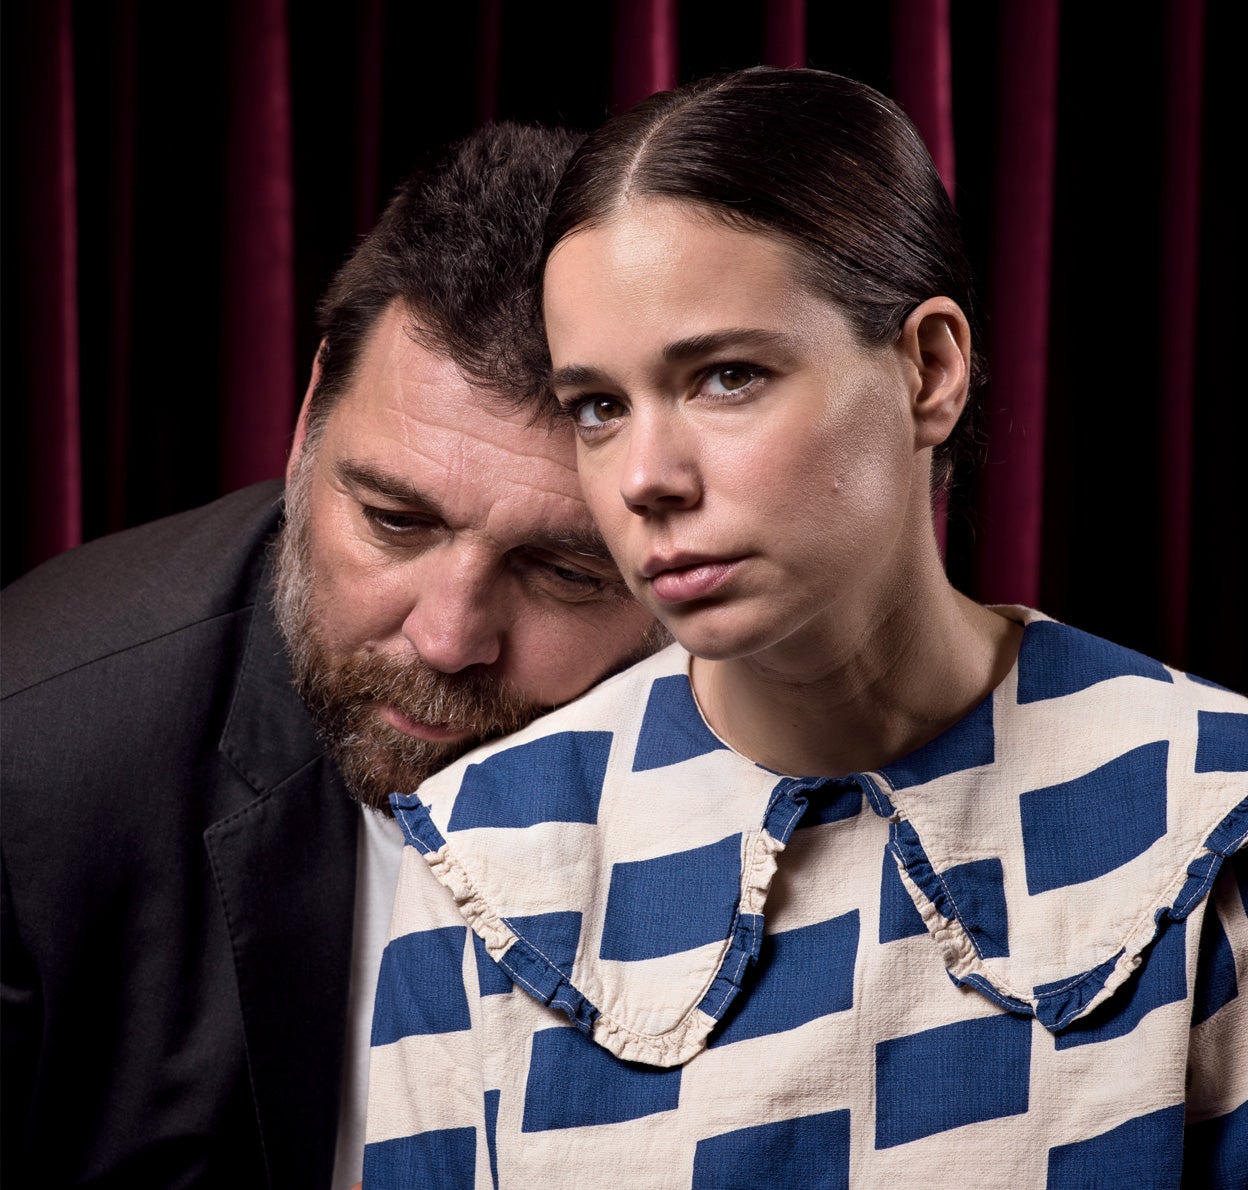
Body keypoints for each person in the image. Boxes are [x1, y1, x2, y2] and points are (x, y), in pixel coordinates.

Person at [364, 69, 1248, 1187]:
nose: (645, 477)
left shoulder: (1204, 800)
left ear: (930, 370)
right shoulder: (484, 858)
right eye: (599, 406)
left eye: (727, 377)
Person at [0, 123, 661, 1189]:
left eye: (564, 573)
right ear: (310, 417)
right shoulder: (31, 757)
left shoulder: (802, 751)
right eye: (396, 521)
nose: (448, 638)